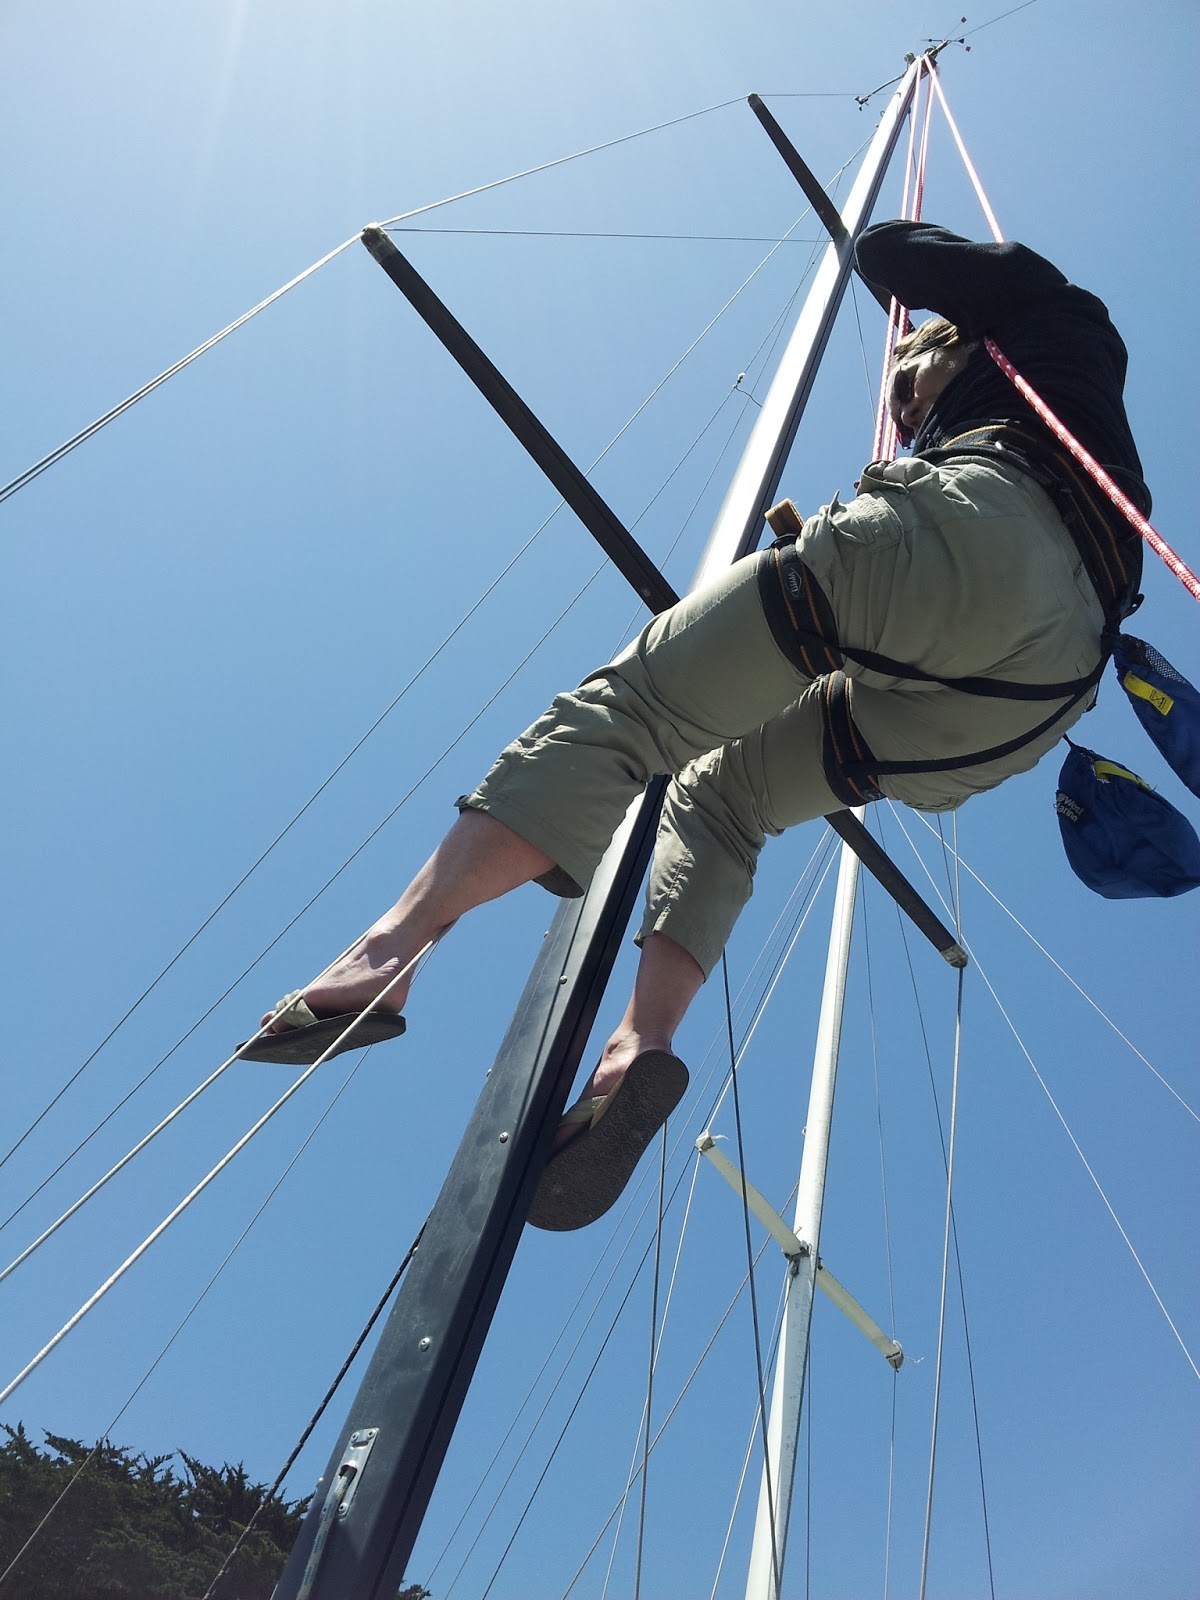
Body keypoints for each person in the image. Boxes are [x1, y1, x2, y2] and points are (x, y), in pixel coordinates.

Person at [243, 220, 1149, 1228]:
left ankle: (390, 949)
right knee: (723, 792)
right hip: (1027, 708)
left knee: (637, 708)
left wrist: (916, 333)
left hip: (983, 536)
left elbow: (888, 252)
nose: (900, 412)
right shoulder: (1073, 420)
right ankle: (638, 1047)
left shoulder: (1049, 320)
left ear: (962, 343)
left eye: (909, 386)